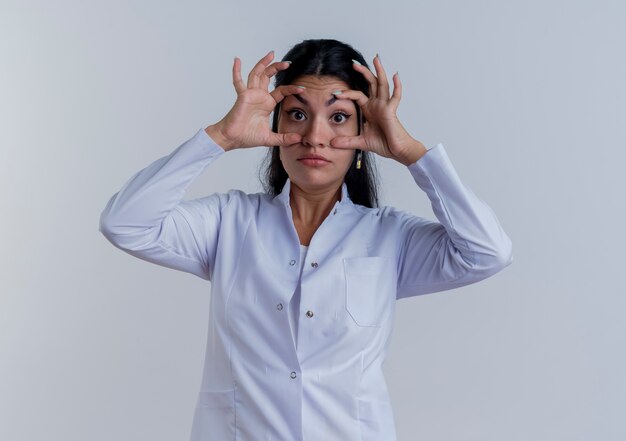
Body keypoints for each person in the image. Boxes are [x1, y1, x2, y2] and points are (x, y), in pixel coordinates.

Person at [99, 38, 513, 441]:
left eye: (337, 117)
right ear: (275, 125)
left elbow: (488, 253)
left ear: (363, 133)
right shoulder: (229, 222)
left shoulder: (389, 237)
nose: (315, 136)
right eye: (297, 114)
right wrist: (221, 137)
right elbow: (125, 222)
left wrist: (412, 154)